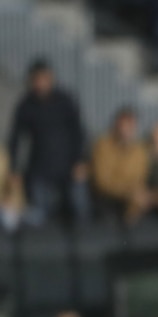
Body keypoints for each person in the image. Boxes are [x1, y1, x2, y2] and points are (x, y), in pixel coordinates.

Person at [6, 58, 90, 227]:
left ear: (51, 78)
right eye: (36, 79)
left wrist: (81, 160)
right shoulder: (26, 105)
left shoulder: (65, 100)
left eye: (43, 78)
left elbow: (78, 132)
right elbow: (15, 139)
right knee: (39, 216)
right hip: (40, 171)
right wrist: (14, 169)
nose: (40, 83)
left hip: (69, 169)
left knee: (80, 212)